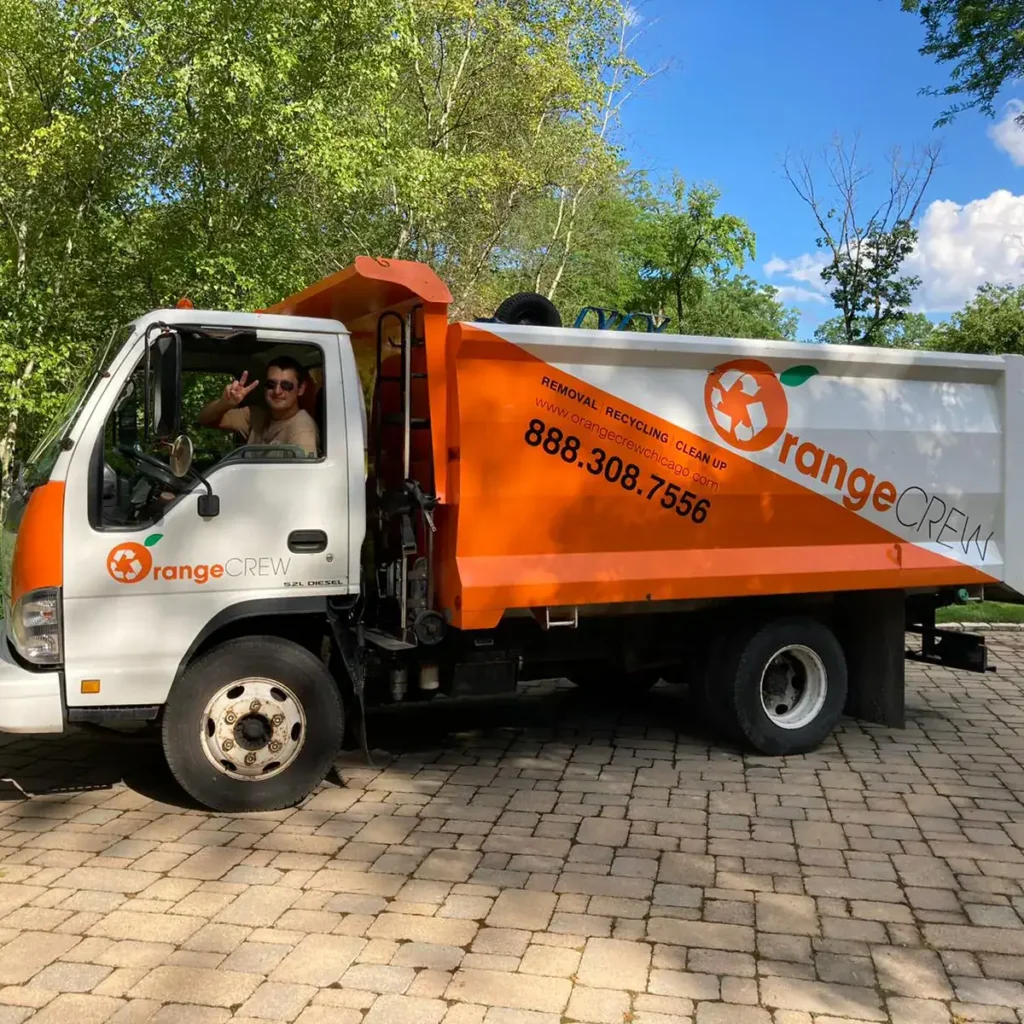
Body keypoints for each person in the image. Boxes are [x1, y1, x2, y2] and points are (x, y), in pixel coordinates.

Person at [199, 356, 318, 456]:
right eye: (271, 384)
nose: (277, 391)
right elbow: (205, 419)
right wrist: (223, 404)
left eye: (286, 385)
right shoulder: (256, 415)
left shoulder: (302, 430)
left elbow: (302, 480)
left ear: (301, 389)